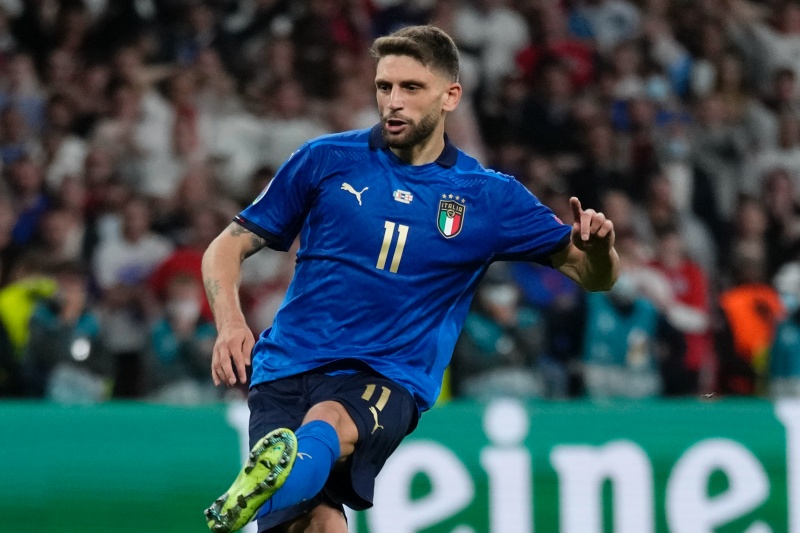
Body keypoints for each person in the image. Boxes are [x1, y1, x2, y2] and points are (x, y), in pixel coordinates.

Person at [201, 25, 619, 533]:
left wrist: (600, 251)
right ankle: (269, 494)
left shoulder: (487, 196)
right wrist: (230, 323)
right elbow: (225, 247)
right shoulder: (325, 159)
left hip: (385, 375)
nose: (393, 102)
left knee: (329, 421)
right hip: (285, 368)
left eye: (411, 88)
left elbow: (593, 276)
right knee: (318, 524)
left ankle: (244, 502)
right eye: (384, 87)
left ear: (450, 97)